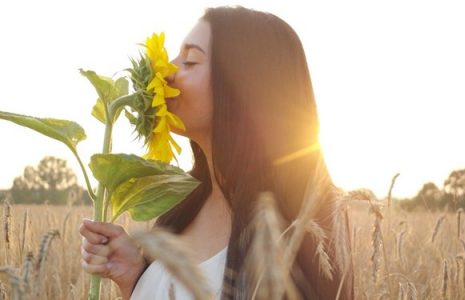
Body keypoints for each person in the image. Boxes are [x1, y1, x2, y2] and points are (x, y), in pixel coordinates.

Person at [79, 6, 354, 300]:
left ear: (243, 85)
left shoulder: (294, 232)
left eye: (190, 61)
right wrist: (136, 279)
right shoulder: (184, 204)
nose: (167, 72)